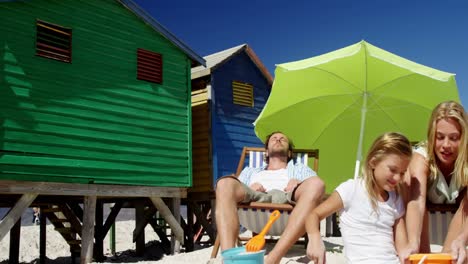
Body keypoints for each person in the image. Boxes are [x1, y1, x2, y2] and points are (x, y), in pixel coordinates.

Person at [215, 131, 324, 264]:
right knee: (224, 183)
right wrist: (248, 186)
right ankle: (229, 258)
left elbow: (316, 190)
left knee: (316, 183)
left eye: (282, 139)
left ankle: (273, 258)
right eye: (274, 138)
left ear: (289, 153)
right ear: (266, 152)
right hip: (255, 198)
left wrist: (299, 184)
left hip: (287, 198)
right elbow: (232, 191)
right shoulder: (250, 171)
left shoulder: (299, 169)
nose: (278, 140)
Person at [306, 132, 412, 264]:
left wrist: (407, 255)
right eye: (392, 170)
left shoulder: (395, 200)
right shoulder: (351, 190)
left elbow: (402, 250)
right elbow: (313, 215)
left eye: (402, 173)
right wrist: (315, 239)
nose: (397, 178)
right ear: (373, 162)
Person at [402, 100, 468, 263]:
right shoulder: (421, 157)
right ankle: (422, 255)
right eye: (440, 137)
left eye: (454, 138)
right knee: (409, 181)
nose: (446, 145)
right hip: (420, 213)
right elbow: (416, 202)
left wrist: (462, 239)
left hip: (461, 214)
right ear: (432, 136)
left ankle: (447, 256)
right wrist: (412, 242)